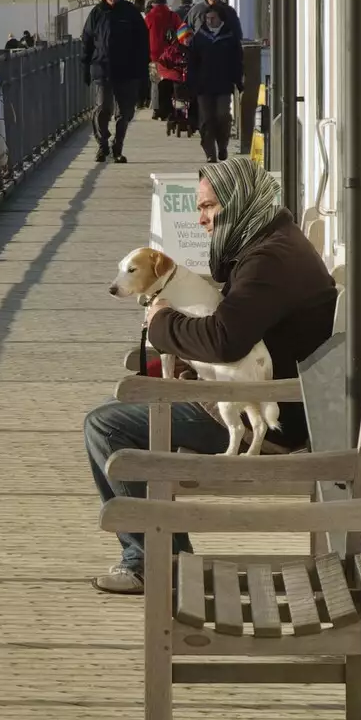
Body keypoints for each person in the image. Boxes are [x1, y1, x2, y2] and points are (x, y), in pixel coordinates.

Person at [84, 158, 337, 594]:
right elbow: (232, 335)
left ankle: (154, 561)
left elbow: (224, 340)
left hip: (273, 412)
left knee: (106, 426)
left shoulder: (268, 261)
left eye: (209, 207)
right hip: (263, 392)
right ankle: (167, 556)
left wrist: (161, 322)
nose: (201, 219)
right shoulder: (272, 243)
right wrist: (188, 359)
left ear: (239, 201)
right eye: (200, 208)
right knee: (120, 413)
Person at [80, 0, 150, 164]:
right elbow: (86, 41)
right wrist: (85, 67)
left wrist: (143, 72)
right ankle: (102, 145)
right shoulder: (96, 13)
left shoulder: (131, 13)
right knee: (103, 108)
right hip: (102, 68)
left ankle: (117, 147)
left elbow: (143, 43)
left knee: (125, 112)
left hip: (127, 70)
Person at [186, 6, 242, 162]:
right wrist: (191, 83)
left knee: (223, 115)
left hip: (223, 84)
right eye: (207, 18)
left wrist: (238, 80)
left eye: (213, 18)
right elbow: (192, 63)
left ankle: (223, 146)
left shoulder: (229, 37)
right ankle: (210, 153)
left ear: (221, 19)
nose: (210, 21)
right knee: (207, 119)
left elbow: (237, 61)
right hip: (204, 86)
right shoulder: (200, 37)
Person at [144, 0, 183, 121]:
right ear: (166, 2)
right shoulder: (173, 16)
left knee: (156, 81)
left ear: (154, 3)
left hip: (154, 55)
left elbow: (143, 34)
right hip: (170, 56)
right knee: (169, 80)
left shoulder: (149, 17)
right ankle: (168, 107)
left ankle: (156, 109)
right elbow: (182, 32)